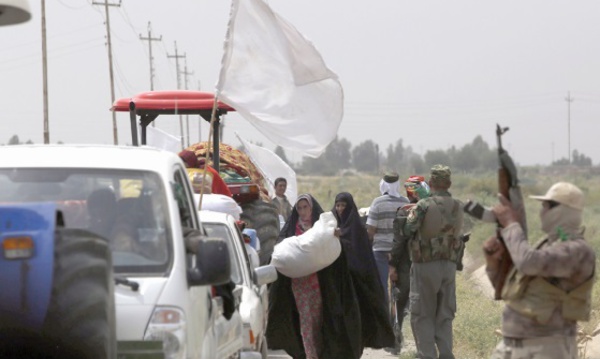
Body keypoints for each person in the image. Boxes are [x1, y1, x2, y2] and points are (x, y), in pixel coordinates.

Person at [484, 182, 595, 359]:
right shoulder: (548, 246)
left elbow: (528, 262)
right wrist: (493, 263)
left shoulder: (578, 251)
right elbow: (510, 291)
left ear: (563, 211)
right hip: (513, 345)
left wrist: (511, 224)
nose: (542, 212)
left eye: (547, 206)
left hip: (547, 347)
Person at [266, 194, 362, 359]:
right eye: (300, 208)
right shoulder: (292, 228)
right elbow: (281, 249)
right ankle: (311, 354)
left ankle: (321, 351)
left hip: (319, 283)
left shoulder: (321, 229)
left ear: (312, 208)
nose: (303, 212)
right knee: (306, 320)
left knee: (319, 320)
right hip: (299, 284)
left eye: (306, 207)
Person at [404, 165, 463, 359]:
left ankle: (427, 356)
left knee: (423, 315)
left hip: (425, 265)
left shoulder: (423, 205)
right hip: (449, 266)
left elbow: (408, 229)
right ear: (449, 183)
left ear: (430, 183)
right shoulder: (457, 205)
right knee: (445, 316)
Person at [332, 192, 395, 352]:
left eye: (343, 205)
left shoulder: (357, 228)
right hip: (338, 281)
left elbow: (358, 253)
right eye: (337, 205)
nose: (339, 209)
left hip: (355, 281)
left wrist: (341, 240)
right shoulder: (331, 225)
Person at [388, 175, 430, 353]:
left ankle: (396, 342)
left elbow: (398, 243)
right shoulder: (433, 209)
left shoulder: (404, 210)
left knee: (400, 302)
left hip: (406, 264)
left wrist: (392, 266)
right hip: (429, 264)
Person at [366, 171, 409, 309]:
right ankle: (398, 318)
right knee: (399, 287)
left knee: (381, 287)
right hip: (400, 252)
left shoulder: (377, 202)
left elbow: (371, 231)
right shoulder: (405, 202)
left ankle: (386, 321)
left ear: (383, 185)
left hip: (380, 251)